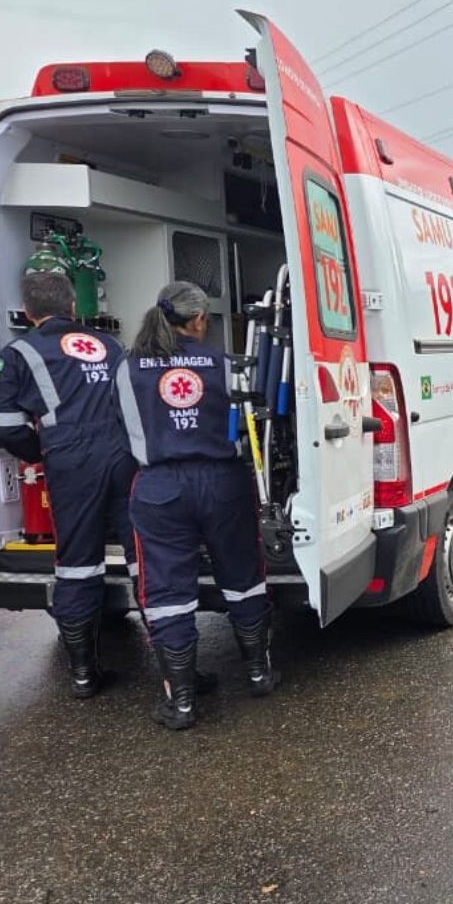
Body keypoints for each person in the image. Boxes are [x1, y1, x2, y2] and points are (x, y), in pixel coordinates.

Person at [116, 282, 278, 730]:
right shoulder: (224, 365)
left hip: (159, 487)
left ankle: (182, 701)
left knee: (168, 593)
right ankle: (258, 672)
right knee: (243, 577)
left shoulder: (127, 368)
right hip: (224, 482)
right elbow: (250, 426)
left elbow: (124, 429)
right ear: (200, 319)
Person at [0, 270, 135, 698]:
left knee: (77, 563)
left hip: (70, 462)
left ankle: (85, 674)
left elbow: (0, 422)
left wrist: (37, 450)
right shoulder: (109, 345)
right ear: (73, 307)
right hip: (123, 455)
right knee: (144, 554)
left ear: (29, 312)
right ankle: (175, 675)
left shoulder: (19, 352)